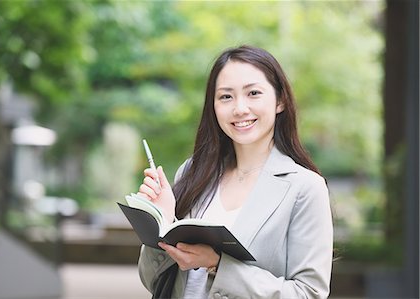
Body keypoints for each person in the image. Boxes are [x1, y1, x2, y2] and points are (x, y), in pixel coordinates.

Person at [136, 45, 333, 299]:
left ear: (280, 100)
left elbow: (309, 293)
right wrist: (162, 220)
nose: (240, 108)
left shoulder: (305, 188)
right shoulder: (193, 172)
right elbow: (151, 280)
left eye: (253, 93)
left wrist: (218, 265)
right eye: (226, 97)